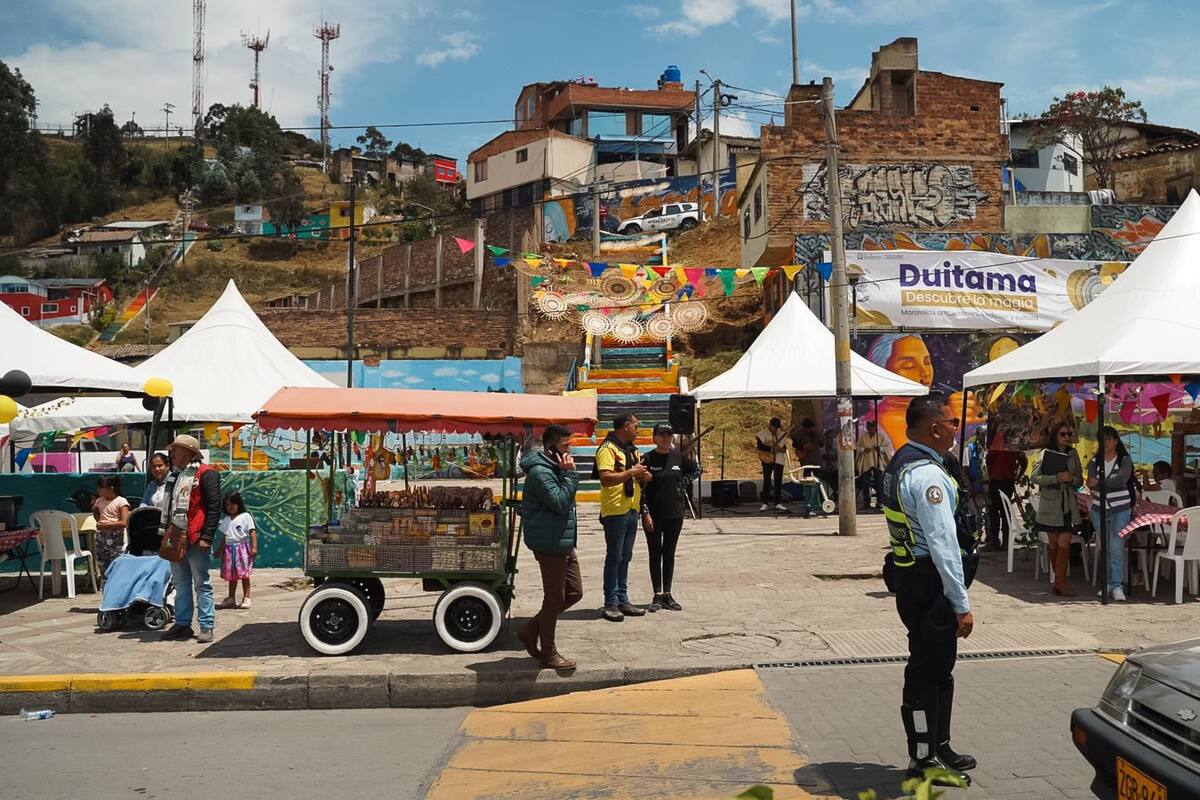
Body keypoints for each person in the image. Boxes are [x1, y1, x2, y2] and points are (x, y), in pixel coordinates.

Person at [882, 393, 978, 786]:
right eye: (953, 422)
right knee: (925, 672)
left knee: (940, 669)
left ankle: (940, 745)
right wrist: (961, 604)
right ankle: (922, 759)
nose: (957, 428)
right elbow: (943, 545)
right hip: (930, 586)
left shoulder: (903, 461)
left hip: (911, 581)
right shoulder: (927, 476)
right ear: (935, 427)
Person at [517, 424, 582, 670]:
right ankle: (549, 652)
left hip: (563, 540)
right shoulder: (540, 472)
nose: (569, 450)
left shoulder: (554, 467)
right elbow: (559, 501)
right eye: (565, 446)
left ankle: (530, 629)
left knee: (574, 593)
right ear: (551, 448)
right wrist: (570, 474)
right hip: (549, 543)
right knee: (554, 597)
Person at [864, 334, 984, 450]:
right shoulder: (864, 428)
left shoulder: (944, 411)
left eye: (927, 362)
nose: (925, 372)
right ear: (882, 370)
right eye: (909, 366)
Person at [159, 434, 222, 643]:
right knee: (180, 582)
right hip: (176, 535)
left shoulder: (206, 474)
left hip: (196, 536)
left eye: (176, 450)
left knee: (201, 582)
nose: (172, 453)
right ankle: (183, 624)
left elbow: (214, 507)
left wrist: (207, 536)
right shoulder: (174, 477)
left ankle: (206, 625)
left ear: (188, 451)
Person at [595, 413, 650, 622]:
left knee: (626, 557)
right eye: (636, 425)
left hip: (631, 508)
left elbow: (639, 475)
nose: (638, 429)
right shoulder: (607, 449)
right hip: (615, 510)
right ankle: (610, 602)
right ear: (626, 426)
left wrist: (644, 475)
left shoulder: (632, 450)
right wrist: (631, 472)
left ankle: (622, 598)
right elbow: (607, 478)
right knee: (614, 557)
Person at [640, 423, 697, 612]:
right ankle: (656, 594)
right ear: (654, 437)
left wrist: (680, 484)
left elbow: (696, 470)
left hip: (675, 514)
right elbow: (641, 489)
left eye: (669, 434)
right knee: (655, 553)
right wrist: (645, 512)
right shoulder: (646, 458)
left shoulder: (677, 457)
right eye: (662, 435)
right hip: (653, 516)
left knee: (669, 553)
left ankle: (667, 593)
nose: (666, 438)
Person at [1032, 421, 1084, 597]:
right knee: (1053, 543)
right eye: (1063, 434)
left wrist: (1071, 478)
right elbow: (1035, 478)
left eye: (1069, 434)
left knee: (1064, 541)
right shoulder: (1045, 454)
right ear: (1055, 436)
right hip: (1051, 504)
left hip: (1068, 504)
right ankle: (1058, 582)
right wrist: (1055, 478)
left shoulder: (1073, 453)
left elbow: (1080, 481)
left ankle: (1060, 583)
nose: (1067, 437)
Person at [1087, 426, 1134, 602]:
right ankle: (1107, 583)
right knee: (1105, 547)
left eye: (1108, 439)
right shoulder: (1094, 461)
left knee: (1116, 546)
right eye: (1102, 439)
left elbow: (1122, 480)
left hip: (1120, 508)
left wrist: (1099, 482)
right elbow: (1090, 482)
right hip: (1099, 508)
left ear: (1115, 440)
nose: (1105, 442)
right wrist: (1100, 483)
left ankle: (1117, 585)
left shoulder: (1124, 459)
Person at [984, 423, 1025, 551]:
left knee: (997, 513)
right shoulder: (1010, 445)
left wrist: (1018, 475)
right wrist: (1019, 474)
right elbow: (1023, 460)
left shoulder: (998, 445)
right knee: (1002, 513)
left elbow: (988, 462)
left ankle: (998, 542)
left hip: (1000, 481)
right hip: (1002, 482)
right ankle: (1001, 542)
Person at [215, 491, 257, 610]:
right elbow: (225, 536)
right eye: (228, 505)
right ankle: (231, 598)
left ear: (238, 504)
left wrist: (254, 546)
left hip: (242, 549)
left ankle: (246, 598)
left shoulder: (245, 516)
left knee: (244, 575)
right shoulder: (226, 519)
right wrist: (219, 549)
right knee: (232, 576)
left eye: (233, 504)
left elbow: (252, 532)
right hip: (229, 550)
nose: (231, 507)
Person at [92, 475, 130, 579]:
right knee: (102, 562)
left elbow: (123, 522)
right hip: (101, 538)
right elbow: (95, 511)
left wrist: (105, 525)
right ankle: (105, 584)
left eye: (101, 487)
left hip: (116, 538)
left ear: (111, 488)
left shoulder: (121, 502)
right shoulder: (99, 501)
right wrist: (98, 519)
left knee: (117, 563)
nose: (98, 490)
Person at [856, 420, 890, 512]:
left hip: (877, 461)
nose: (871, 428)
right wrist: (863, 449)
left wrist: (881, 449)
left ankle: (880, 502)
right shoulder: (863, 437)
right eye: (869, 426)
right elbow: (858, 446)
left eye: (872, 426)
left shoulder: (880, 437)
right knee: (865, 483)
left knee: (879, 483)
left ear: (875, 427)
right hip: (866, 461)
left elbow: (887, 447)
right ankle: (866, 503)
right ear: (867, 427)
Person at [756, 417, 789, 512]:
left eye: (777, 428)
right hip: (766, 459)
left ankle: (777, 503)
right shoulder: (762, 434)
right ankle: (765, 503)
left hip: (778, 460)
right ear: (770, 425)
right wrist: (770, 449)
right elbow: (760, 446)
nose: (776, 429)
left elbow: (784, 448)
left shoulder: (780, 434)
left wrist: (780, 449)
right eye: (774, 427)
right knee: (767, 481)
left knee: (778, 481)